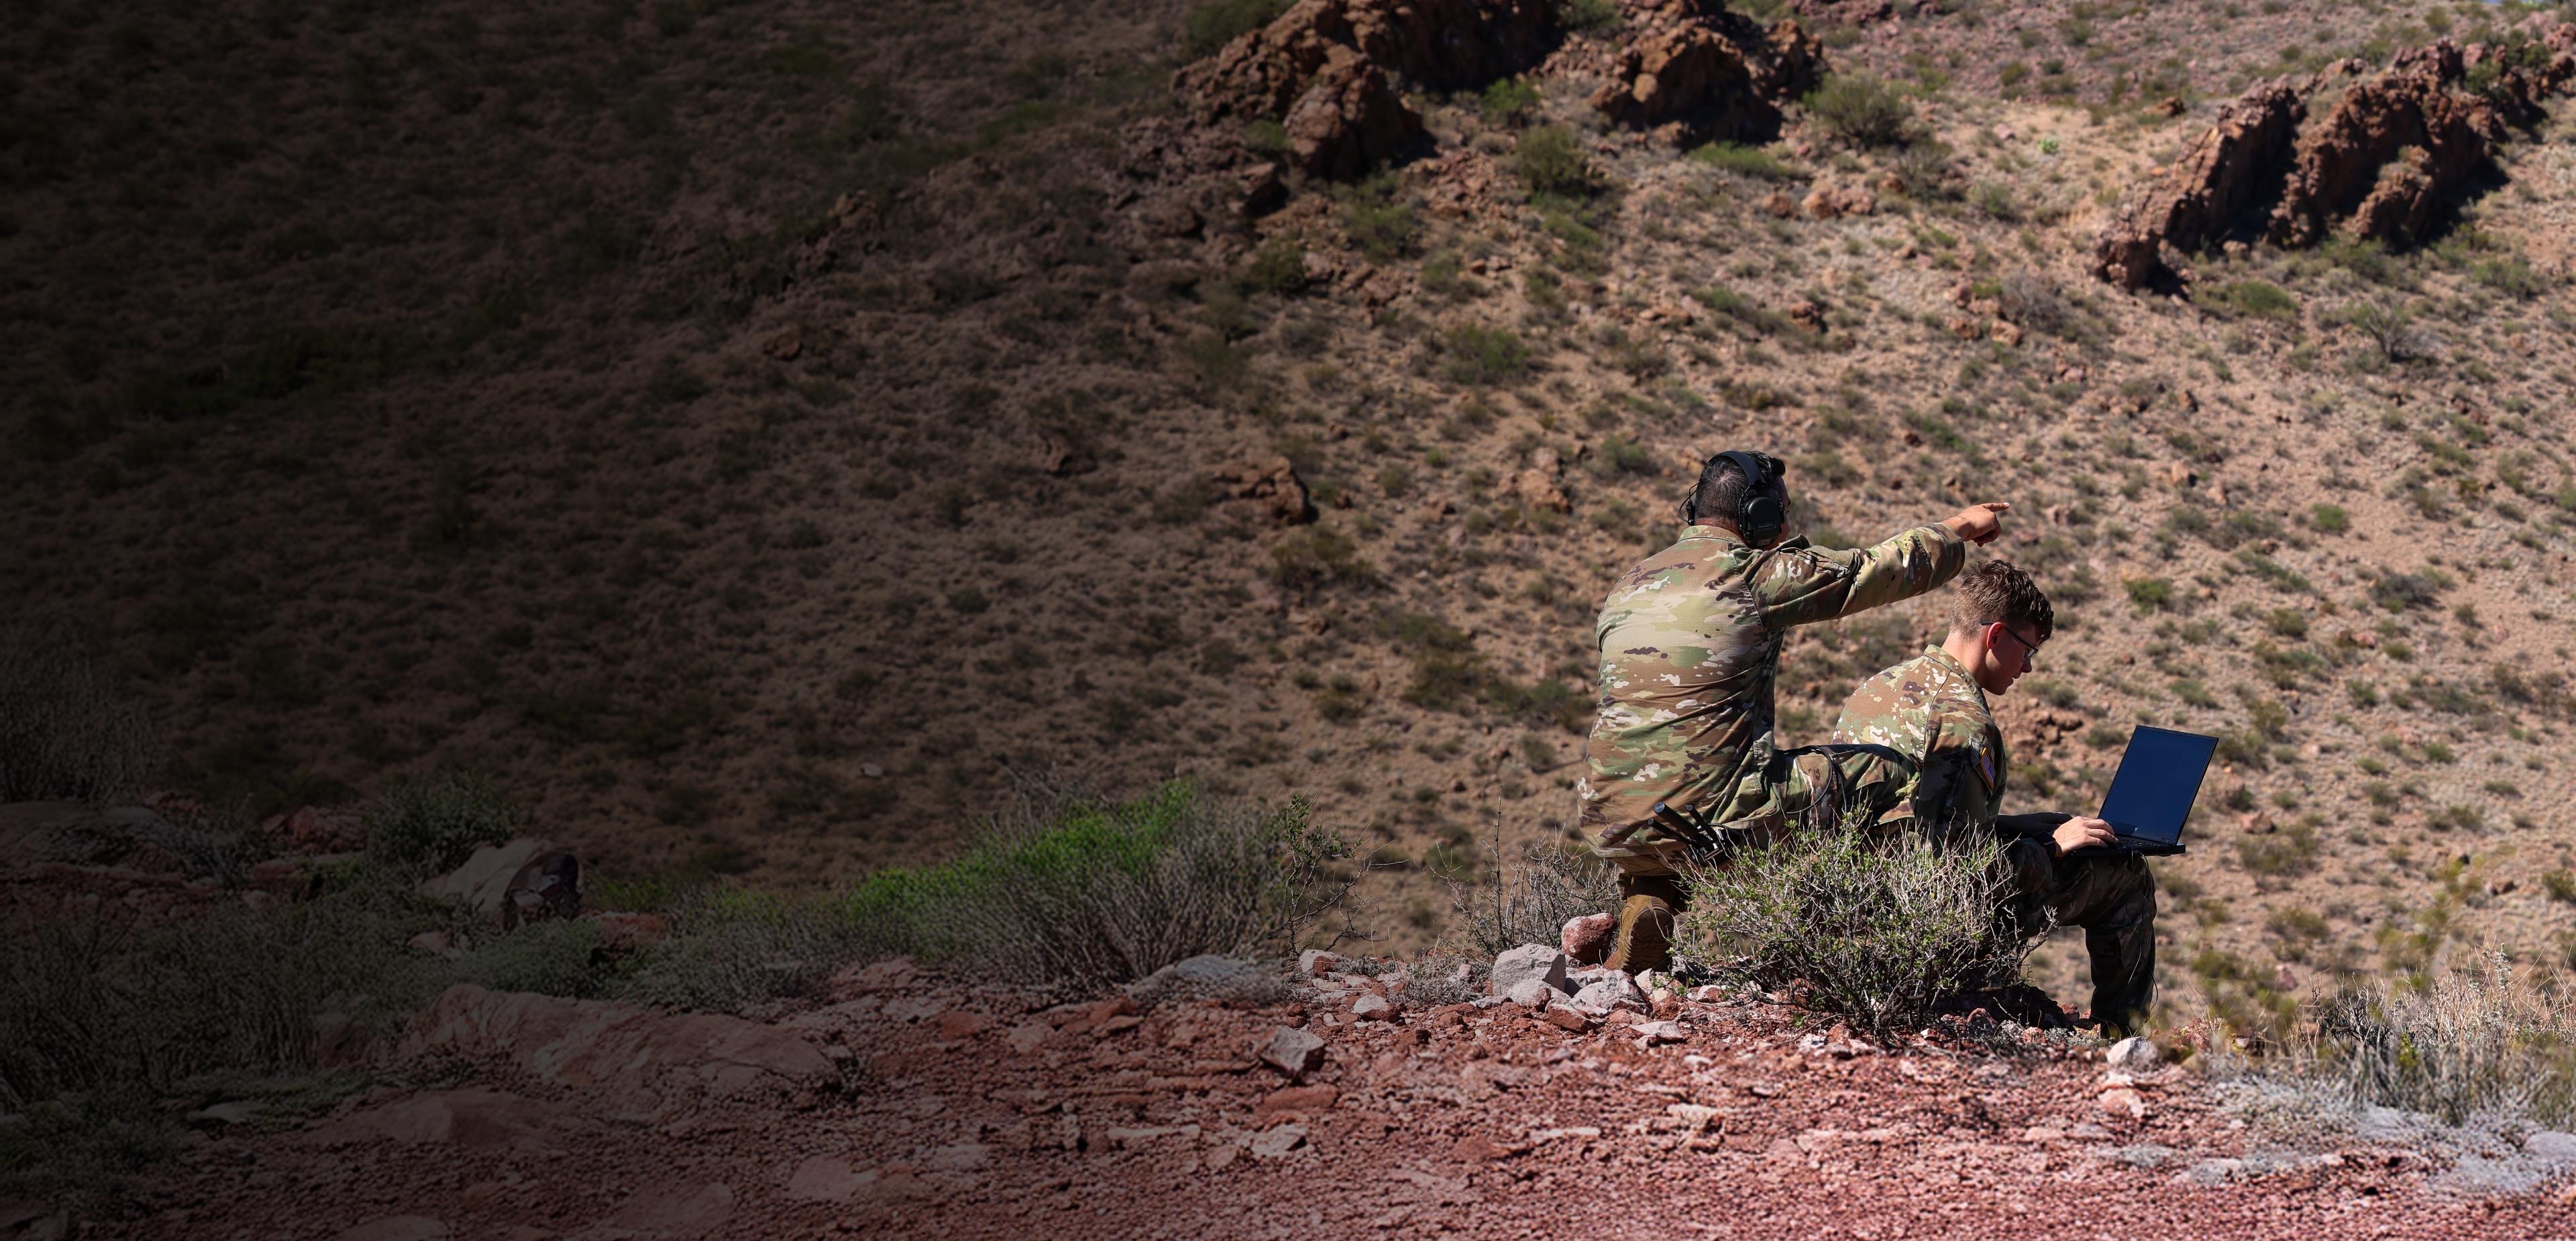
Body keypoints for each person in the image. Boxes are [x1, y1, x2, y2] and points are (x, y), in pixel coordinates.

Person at [1578, 449, 2011, 971]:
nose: (1785, 525)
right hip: (1715, 815)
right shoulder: (1752, 577)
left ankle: (1648, 902)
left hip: (1611, 819)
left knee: (1677, 787)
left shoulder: (1628, 586)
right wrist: (1959, 527)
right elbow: (1873, 571)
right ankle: (1902, 943)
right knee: (1893, 772)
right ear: (1759, 516)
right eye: (1781, 513)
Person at [1831, 559, 2159, 1036]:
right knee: (2124, 871)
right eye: (2028, 650)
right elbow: (1960, 873)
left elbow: (1914, 824)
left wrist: (2024, 825)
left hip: (1853, 910)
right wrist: (2052, 847)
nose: (2027, 667)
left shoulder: (1877, 689)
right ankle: (2121, 1035)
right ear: (1996, 635)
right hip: (1926, 927)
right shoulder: (1966, 723)